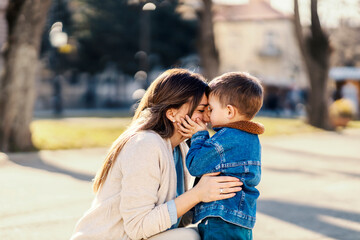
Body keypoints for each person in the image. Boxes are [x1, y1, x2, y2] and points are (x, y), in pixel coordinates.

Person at [70, 69, 243, 240]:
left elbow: (177, 219)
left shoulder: (181, 147)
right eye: (201, 110)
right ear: (172, 113)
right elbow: (138, 228)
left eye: (209, 110)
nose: (207, 118)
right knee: (190, 237)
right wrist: (197, 194)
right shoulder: (145, 145)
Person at [177, 72, 264, 240]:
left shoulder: (225, 139)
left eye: (211, 109)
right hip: (241, 219)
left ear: (229, 111)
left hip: (221, 218)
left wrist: (199, 135)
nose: (207, 115)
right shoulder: (251, 138)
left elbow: (196, 165)